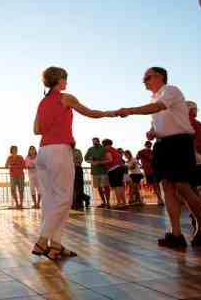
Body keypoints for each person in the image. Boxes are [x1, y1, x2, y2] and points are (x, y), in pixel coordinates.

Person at [115, 67, 201, 247]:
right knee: (166, 186)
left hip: (179, 143)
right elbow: (161, 116)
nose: (144, 81)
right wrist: (152, 131)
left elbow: (158, 107)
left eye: (147, 77)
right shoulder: (154, 98)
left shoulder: (170, 91)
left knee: (183, 186)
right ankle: (175, 234)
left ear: (160, 76)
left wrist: (129, 110)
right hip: (162, 145)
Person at [32, 66, 115, 260]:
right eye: (65, 78)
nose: (66, 82)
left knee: (51, 200)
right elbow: (90, 113)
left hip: (43, 153)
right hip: (59, 151)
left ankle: (56, 245)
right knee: (63, 199)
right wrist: (111, 113)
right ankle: (42, 240)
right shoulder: (65, 97)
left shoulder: (42, 102)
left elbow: (36, 130)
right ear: (59, 79)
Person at [101, 139, 128, 209]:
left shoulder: (107, 150)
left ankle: (119, 203)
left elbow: (110, 160)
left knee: (117, 187)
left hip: (113, 169)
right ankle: (124, 203)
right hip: (120, 168)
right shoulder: (114, 150)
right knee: (120, 186)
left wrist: (100, 162)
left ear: (104, 144)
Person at [85, 137, 111, 208]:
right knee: (99, 187)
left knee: (106, 187)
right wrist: (91, 161)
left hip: (103, 171)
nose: (94, 143)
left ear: (98, 142)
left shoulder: (103, 149)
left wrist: (100, 161)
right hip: (95, 171)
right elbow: (85, 159)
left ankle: (108, 202)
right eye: (93, 142)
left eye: (95, 142)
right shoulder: (90, 149)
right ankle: (103, 202)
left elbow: (108, 158)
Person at [137, 141, 164, 205]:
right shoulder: (141, 152)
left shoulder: (151, 152)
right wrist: (141, 165)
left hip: (153, 171)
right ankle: (159, 199)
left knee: (155, 185)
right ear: (145, 145)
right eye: (148, 145)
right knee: (154, 185)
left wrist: (141, 165)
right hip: (148, 171)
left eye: (150, 145)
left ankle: (160, 199)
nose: (149, 146)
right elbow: (136, 159)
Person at [72, 143, 90, 210]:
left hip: (77, 169)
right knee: (72, 187)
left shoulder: (78, 151)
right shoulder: (66, 151)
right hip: (69, 170)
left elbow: (80, 160)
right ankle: (85, 198)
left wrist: (73, 164)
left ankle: (79, 203)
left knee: (78, 187)